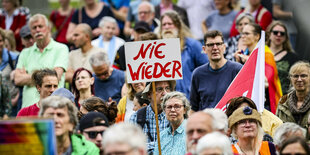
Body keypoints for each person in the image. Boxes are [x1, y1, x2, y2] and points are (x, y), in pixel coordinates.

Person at [14, 14, 69, 108]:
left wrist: (27, 77)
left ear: (48, 28)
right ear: (31, 32)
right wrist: (47, 76)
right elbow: (17, 79)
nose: (37, 30)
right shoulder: (25, 52)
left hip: (53, 106)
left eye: (40, 26)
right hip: (28, 108)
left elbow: (56, 76)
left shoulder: (61, 48)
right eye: (34, 28)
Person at [234, 23, 282, 114]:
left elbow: (266, 80)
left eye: (247, 34)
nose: (242, 36)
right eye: (242, 33)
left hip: (264, 104)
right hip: (246, 101)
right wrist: (237, 62)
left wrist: (249, 62)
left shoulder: (266, 54)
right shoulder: (244, 54)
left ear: (257, 36)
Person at [160, 10, 208, 99]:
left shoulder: (192, 45)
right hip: (166, 100)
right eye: (164, 24)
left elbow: (206, 68)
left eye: (170, 24)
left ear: (178, 26)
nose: (167, 27)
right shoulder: (156, 49)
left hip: (189, 98)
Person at [190, 30, 242, 111]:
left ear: (224, 47)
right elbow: (193, 107)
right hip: (207, 122)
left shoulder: (237, 70)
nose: (215, 48)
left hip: (231, 121)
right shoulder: (198, 74)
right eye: (210, 45)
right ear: (204, 49)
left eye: (218, 44)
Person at [130, 80, 175, 153]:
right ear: (148, 94)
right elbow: (132, 147)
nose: (165, 93)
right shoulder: (136, 117)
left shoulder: (176, 116)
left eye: (167, 88)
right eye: (159, 89)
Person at [267, 21, 299, 94]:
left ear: (285, 37)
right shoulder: (261, 53)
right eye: (275, 32)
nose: (278, 35)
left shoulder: (293, 57)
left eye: (282, 33)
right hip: (262, 96)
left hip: (283, 98)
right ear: (269, 34)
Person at [276, 61, 310, 129]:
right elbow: (277, 127)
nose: (299, 79)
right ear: (290, 79)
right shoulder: (283, 102)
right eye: (295, 76)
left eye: (303, 76)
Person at [0, 28, 18, 108]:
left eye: (0, 41)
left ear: (3, 42)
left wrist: (16, 100)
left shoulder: (13, 58)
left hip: (11, 104)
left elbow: (22, 85)